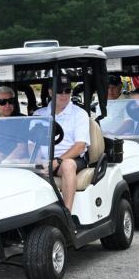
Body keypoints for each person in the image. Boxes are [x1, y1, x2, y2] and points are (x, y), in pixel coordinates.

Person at [33, 76, 91, 210]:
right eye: (59, 91)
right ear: (50, 92)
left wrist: (57, 161)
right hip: (43, 160)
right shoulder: (38, 114)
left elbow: (79, 146)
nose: (64, 95)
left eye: (67, 91)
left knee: (68, 165)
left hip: (71, 159)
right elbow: (31, 144)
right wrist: (39, 162)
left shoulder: (79, 114)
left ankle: (67, 214)